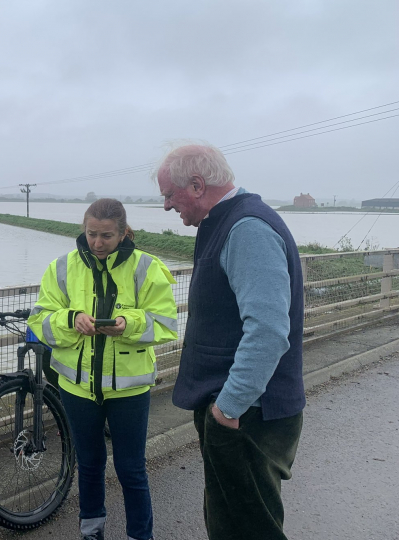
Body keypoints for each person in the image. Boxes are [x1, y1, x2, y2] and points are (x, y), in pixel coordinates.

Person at [155, 143, 305, 540]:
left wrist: (227, 409)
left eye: (169, 194)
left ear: (198, 185)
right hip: (241, 413)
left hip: (248, 416)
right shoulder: (225, 222)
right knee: (230, 522)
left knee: (246, 530)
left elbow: (269, 330)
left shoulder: (246, 228)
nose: (167, 205)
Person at [28, 198, 178, 540]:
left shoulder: (147, 267)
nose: (97, 243)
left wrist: (129, 323)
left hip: (129, 390)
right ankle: (91, 531)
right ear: (84, 228)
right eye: (92, 234)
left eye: (107, 236)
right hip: (76, 388)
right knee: (90, 465)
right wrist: (71, 319)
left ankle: (141, 535)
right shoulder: (61, 267)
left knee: (131, 470)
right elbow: (41, 319)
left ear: (124, 233)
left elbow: (168, 324)